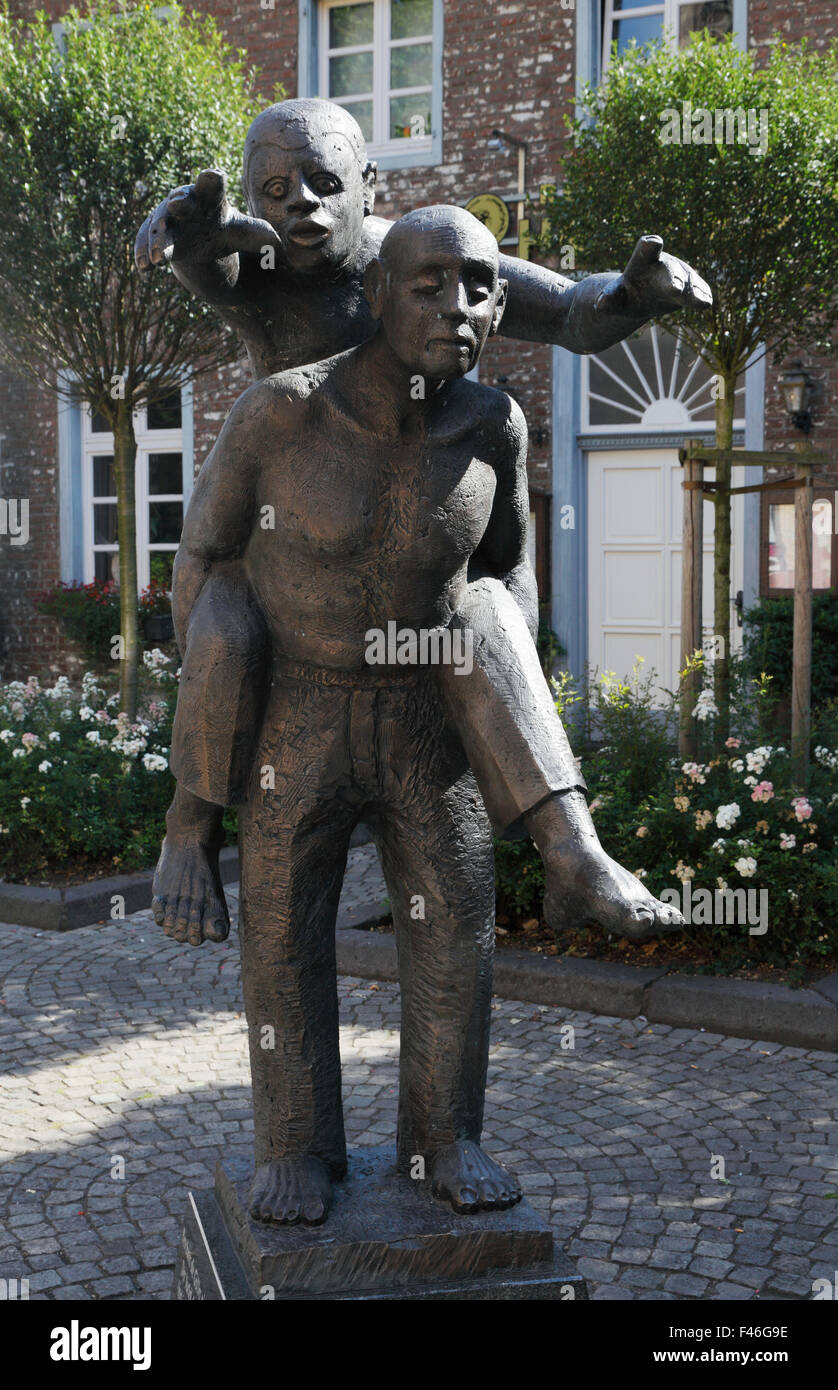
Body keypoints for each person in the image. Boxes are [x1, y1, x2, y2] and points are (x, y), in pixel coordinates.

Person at [165, 206, 686, 1225]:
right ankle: (293, 1146)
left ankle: (446, 1139)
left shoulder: (493, 421)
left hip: (427, 721)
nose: (462, 308)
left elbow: (510, 568)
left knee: (452, 935)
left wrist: (500, 687)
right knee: (281, 939)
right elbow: (203, 561)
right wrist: (208, 761)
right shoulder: (278, 413)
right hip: (301, 716)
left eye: (482, 287)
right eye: (430, 285)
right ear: (373, 294)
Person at [147, 99, 699, 951]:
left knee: (486, 614)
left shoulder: (423, 257)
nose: (302, 206)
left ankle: (573, 855)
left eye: (325, 183)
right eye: (277, 190)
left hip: (411, 514)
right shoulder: (258, 263)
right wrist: (185, 229)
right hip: (299, 531)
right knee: (224, 627)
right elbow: (201, 262)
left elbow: (567, 310)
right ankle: (188, 829)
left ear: (370, 186)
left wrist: (633, 293)